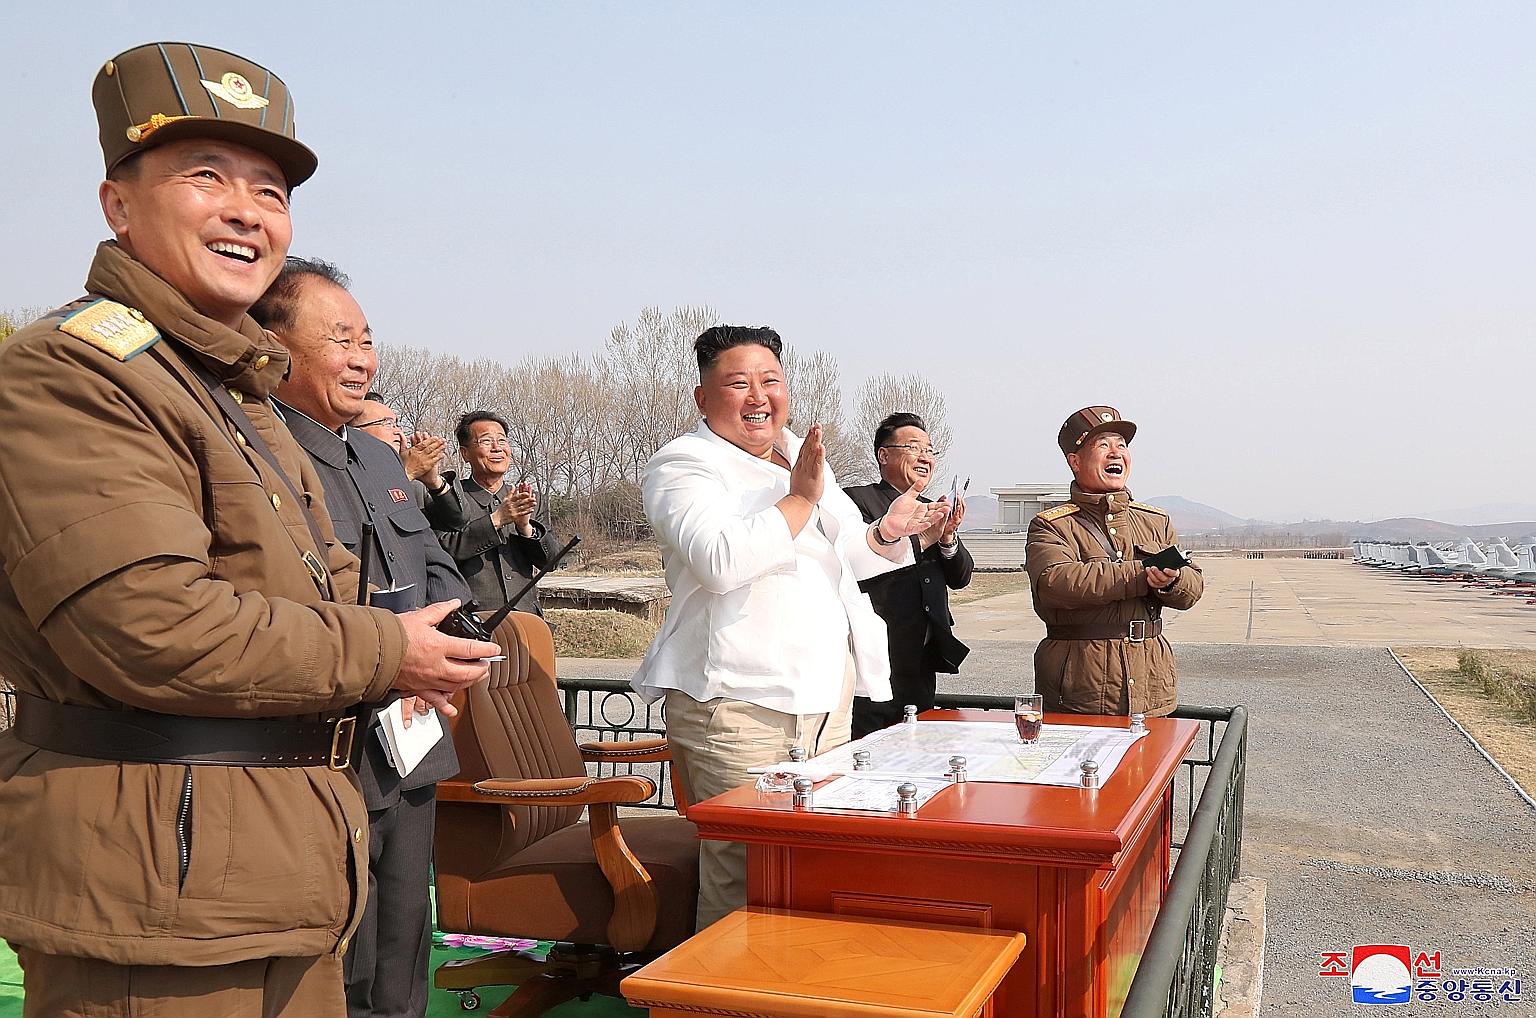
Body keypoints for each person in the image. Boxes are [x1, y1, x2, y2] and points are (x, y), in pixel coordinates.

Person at [0, 43, 499, 1018]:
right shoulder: (78, 372)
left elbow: (321, 588)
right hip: (162, 899)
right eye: (206, 177)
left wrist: (417, 651)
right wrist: (388, 649)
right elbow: (152, 625)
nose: (246, 210)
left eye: (271, 191)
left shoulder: (234, 391)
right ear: (117, 204)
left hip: (280, 882)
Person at [631, 325, 948, 929]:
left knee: (806, 872)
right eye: (739, 382)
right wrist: (799, 500)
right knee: (744, 879)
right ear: (702, 398)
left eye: (771, 381)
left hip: (822, 706)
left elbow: (852, 557)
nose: (759, 396)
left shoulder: (800, 456)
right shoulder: (684, 464)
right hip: (738, 709)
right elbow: (719, 562)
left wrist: (890, 533)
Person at [251, 258, 470, 1018]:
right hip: (325, 747)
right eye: (339, 339)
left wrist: (458, 641)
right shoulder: (258, 455)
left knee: (405, 941)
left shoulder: (377, 457)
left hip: (409, 740)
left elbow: (438, 568)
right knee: (335, 952)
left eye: (367, 339)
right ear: (272, 345)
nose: (361, 358)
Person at [1025, 407, 1204, 717]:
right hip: (1080, 688)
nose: (1116, 453)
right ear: (1075, 461)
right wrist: (1141, 575)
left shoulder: (1155, 520)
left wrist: (1172, 581)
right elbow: (1055, 583)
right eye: (1103, 445)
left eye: (1121, 445)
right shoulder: (1051, 525)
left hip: (1151, 683)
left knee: (1152, 764)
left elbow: (1193, 587)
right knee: (1083, 766)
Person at [843, 413, 974, 738]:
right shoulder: (856, 501)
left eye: (930, 450)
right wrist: (918, 538)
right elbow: (855, 566)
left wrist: (946, 538)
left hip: (921, 661)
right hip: (873, 658)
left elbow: (961, 576)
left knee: (918, 751)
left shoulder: (932, 508)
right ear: (883, 455)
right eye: (913, 447)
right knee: (869, 752)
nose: (925, 457)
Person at [435, 411, 560, 615]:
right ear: (465, 454)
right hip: (471, 621)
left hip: (526, 618)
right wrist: (497, 520)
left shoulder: (528, 499)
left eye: (502, 440)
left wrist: (525, 527)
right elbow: (443, 552)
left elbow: (552, 561)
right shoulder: (448, 498)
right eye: (486, 441)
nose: (497, 448)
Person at [354, 392, 469, 531]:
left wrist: (434, 482)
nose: (399, 433)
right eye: (388, 424)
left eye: (397, 425)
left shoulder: (416, 487)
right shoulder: (344, 475)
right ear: (356, 432)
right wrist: (406, 473)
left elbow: (457, 522)